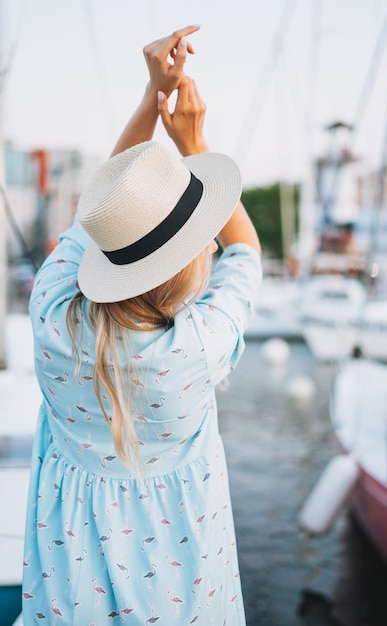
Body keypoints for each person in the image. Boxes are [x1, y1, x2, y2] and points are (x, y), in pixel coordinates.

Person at [22, 25, 262, 625]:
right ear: (189, 268)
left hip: (67, 601)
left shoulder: (52, 312)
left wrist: (150, 98)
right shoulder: (198, 348)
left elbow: (101, 213)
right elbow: (248, 252)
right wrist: (193, 139)